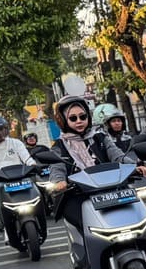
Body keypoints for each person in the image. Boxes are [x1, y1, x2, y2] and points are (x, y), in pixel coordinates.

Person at [47, 96, 140, 255]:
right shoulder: (59, 146)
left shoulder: (100, 137)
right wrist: (59, 181)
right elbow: (57, 167)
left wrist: (134, 166)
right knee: (83, 224)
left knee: (137, 215)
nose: (79, 121)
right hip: (79, 196)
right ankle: (89, 257)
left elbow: (117, 155)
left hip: (112, 191)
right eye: (73, 118)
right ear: (63, 121)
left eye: (82, 116)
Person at [0, 115, 36, 231]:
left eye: (2, 130)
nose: (0, 134)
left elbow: (26, 157)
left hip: (20, 177)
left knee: (34, 185)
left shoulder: (16, 143)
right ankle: (1, 220)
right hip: (0, 180)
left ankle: (38, 214)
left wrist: (33, 165)